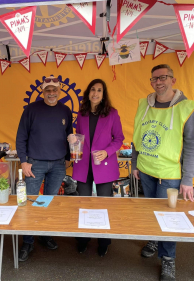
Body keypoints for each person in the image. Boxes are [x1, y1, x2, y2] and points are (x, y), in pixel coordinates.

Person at [132, 64, 194, 281]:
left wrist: (187, 178)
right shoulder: (144, 104)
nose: (158, 82)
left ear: (173, 79)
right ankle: (154, 239)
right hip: (146, 170)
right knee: (150, 213)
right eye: (154, 79)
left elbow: (191, 144)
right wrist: (134, 164)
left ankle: (168, 259)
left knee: (168, 217)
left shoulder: (186, 107)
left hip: (170, 174)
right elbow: (137, 139)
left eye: (162, 77)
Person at [16, 75, 73, 262]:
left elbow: (68, 136)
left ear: (59, 91)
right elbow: (21, 136)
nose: (51, 93)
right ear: (42, 91)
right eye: (48, 90)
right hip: (35, 164)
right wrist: (23, 161)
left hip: (58, 165)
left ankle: (44, 234)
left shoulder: (65, 110)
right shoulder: (31, 109)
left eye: (54, 90)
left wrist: (67, 158)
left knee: (48, 201)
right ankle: (28, 241)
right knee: (31, 202)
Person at [68, 79, 124, 257]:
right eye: (93, 89)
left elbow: (119, 139)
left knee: (103, 204)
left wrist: (107, 152)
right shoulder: (82, 113)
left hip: (103, 165)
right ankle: (83, 239)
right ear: (88, 92)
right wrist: (72, 139)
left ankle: (104, 240)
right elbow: (79, 137)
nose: (95, 93)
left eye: (99, 90)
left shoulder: (112, 113)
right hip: (84, 165)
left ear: (103, 94)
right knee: (83, 204)